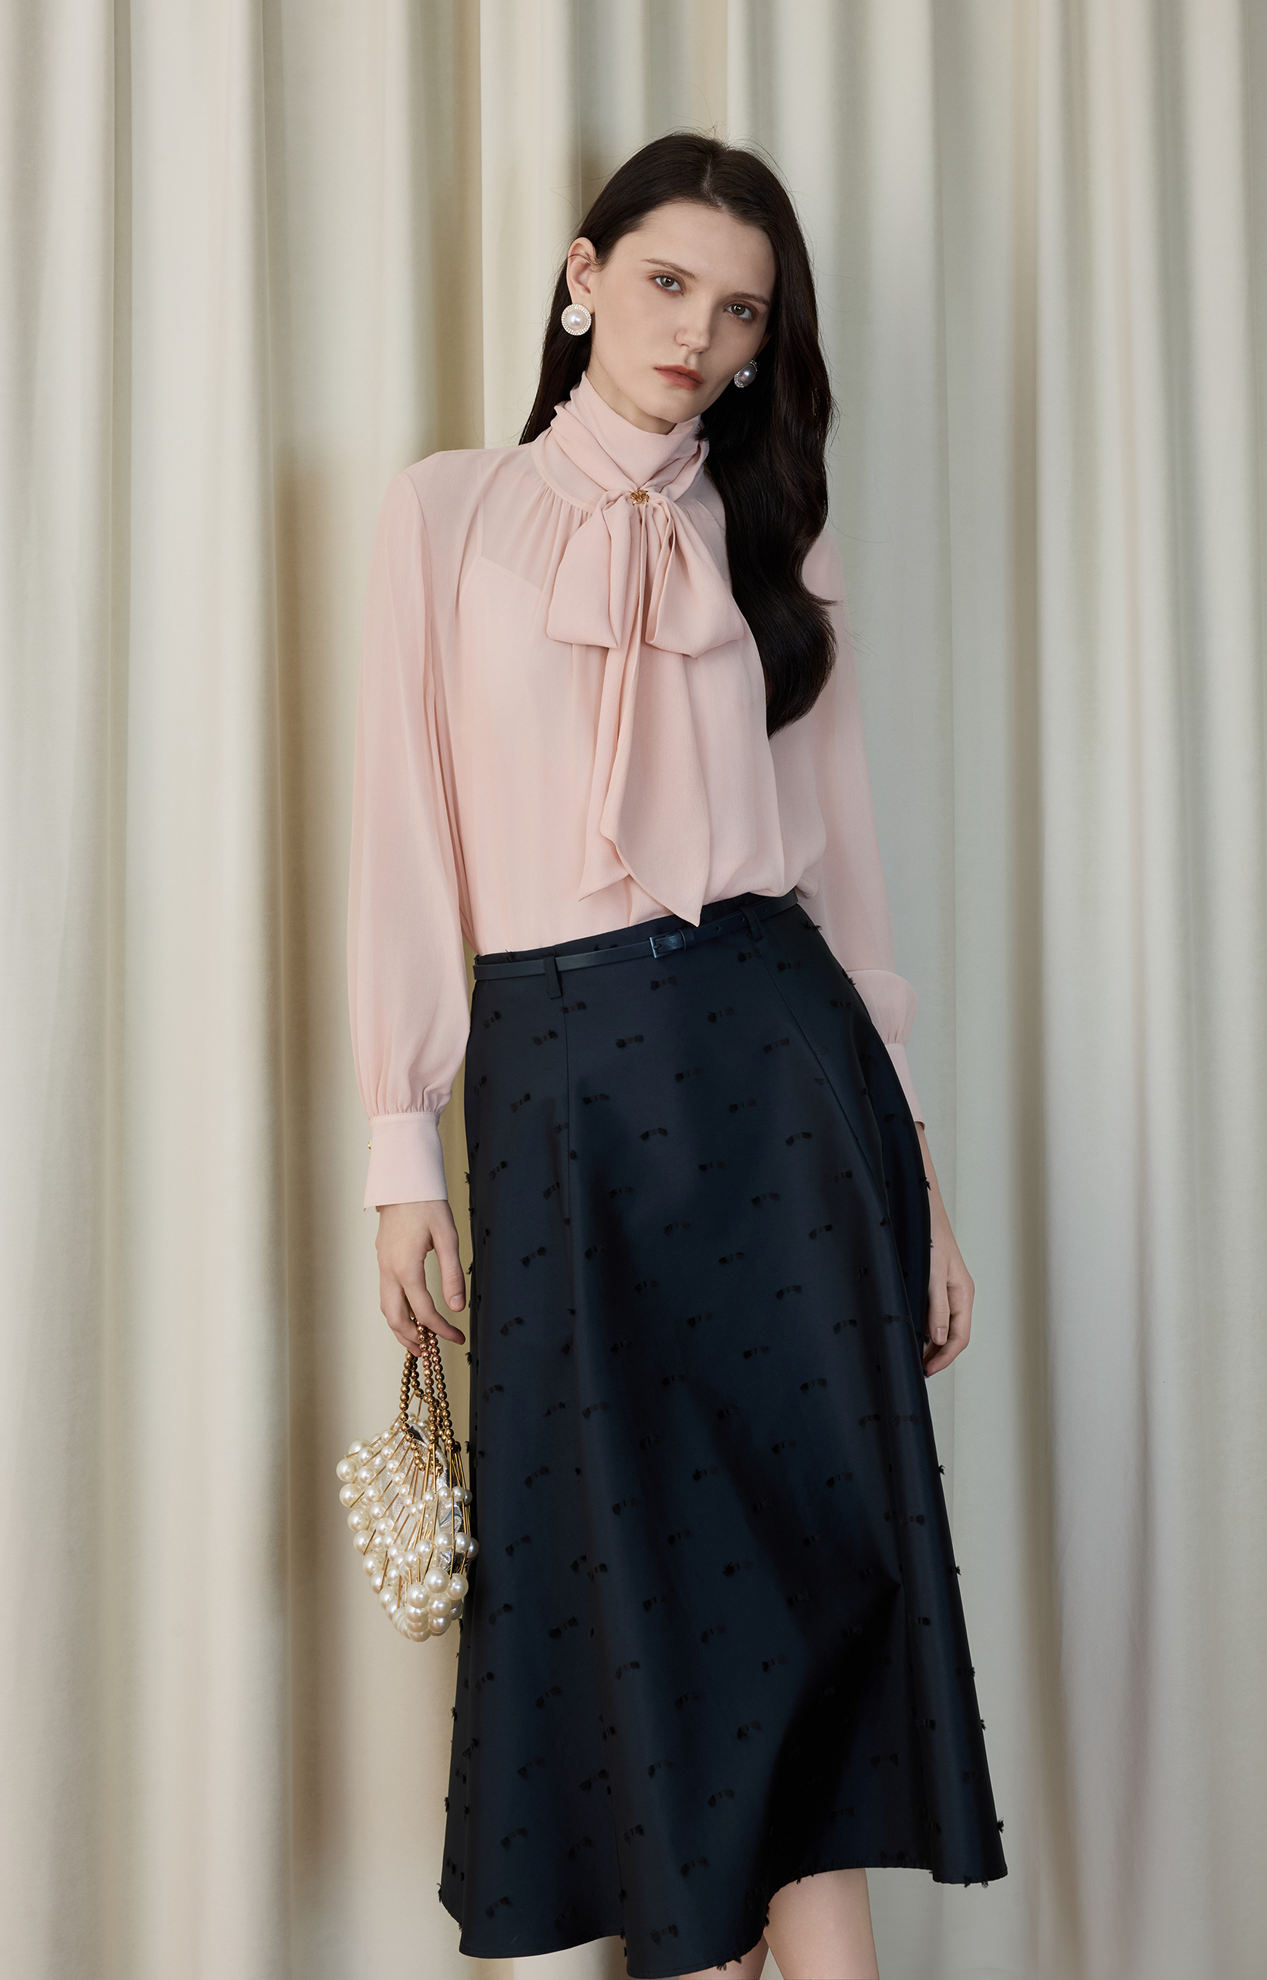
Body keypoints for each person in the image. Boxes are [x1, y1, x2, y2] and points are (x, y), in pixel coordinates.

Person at [347, 130, 1007, 1980]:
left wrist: (924, 1182)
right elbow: (404, 837)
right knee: (634, 1588)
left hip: (783, 1082)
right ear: (582, 277)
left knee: (810, 1584)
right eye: (665, 285)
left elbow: (845, 881)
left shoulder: (774, 535)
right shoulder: (447, 515)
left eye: (739, 313)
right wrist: (400, 1143)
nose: (696, 336)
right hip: (562, 1086)